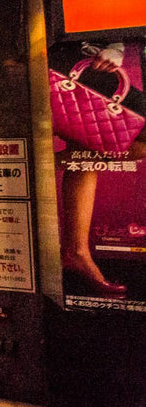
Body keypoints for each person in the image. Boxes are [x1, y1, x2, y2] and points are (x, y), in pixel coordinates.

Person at [51, 42, 145, 299]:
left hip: (79, 57)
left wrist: (114, 47)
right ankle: (77, 252)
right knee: (85, 145)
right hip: (61, 59)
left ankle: (77, 252)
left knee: (86, 145)